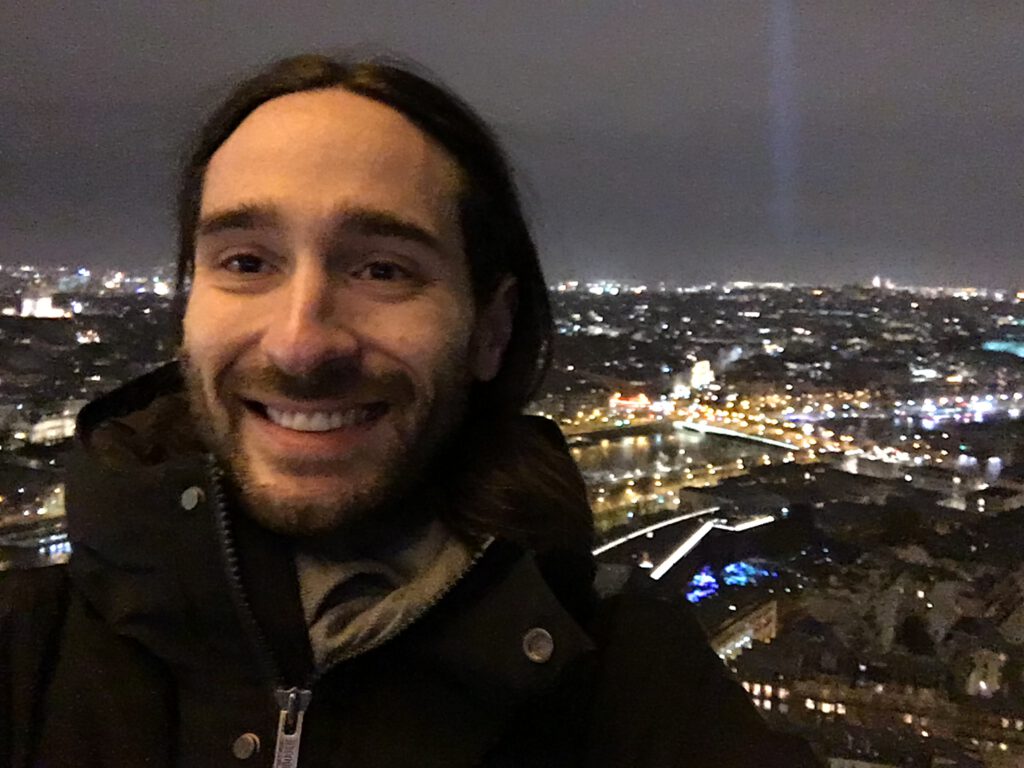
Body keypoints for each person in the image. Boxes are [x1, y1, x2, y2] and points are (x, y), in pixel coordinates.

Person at [0, 54, 820, 767]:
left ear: (491, 331)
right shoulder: (21, 644)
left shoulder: (634, 681)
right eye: (246, 262)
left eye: (383, 270)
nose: (299, 342)